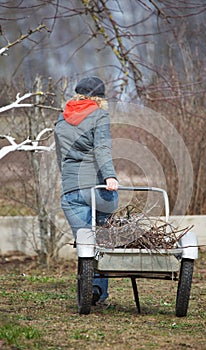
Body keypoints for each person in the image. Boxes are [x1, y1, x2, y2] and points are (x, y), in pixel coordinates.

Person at [54, 76, 118, 307]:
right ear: (99, 97)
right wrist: (110, 176)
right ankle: (98, 293)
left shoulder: (62, 118)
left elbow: (61, 157)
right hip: (98, 188)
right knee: (100, 242)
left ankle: (88, 291)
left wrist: (70, 181)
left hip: (71, 192)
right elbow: (102, 148)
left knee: (85, 244)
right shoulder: (99, 114)